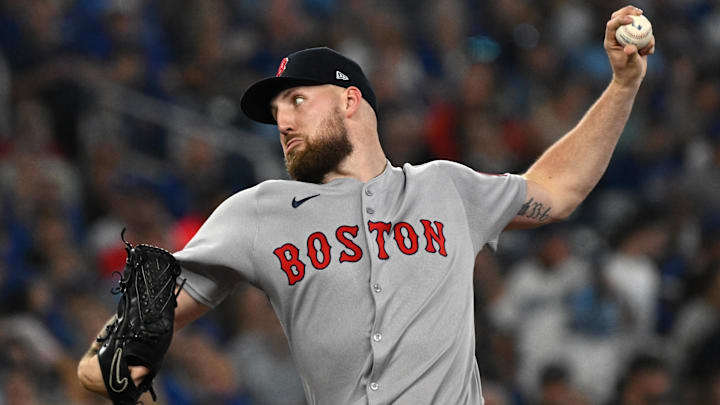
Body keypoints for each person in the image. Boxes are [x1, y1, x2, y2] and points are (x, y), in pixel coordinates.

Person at [78, 6, 655, 404]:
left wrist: (623, 86)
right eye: (277, 110)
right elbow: (116, 352)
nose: (282, 120)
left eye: (297, 101)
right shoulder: (256, 212)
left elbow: (557, 189)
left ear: (350, 101)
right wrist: (111, 354)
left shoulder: (446, 188)